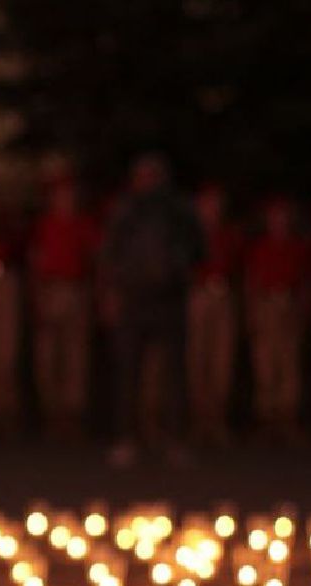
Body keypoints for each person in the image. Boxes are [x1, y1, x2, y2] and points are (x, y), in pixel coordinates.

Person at [99, 151, 203, 465]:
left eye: (153, 175)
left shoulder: (178, 212)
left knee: (173, 374)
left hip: (169, 299)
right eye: (143, 175)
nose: (148, 181)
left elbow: (198, 248)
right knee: (129, 371)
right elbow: (109, 254)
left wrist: (180, 267)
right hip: (133, 299)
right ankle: (127, 438)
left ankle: (173, 439)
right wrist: (110, 293)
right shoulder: (125, 211)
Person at [27, 164, 100, 440]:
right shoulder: (44, 226)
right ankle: (51, 414)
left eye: (69, 194)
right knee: (47, 356)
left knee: (75, 355)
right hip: (52, 290)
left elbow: (94, 261)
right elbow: (35, 263)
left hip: (76, 291)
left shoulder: (84, 225)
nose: (65, 199)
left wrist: (94, 296)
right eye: (60, 194)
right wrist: (38, 298)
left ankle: (73, 415)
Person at [243, 196, 311, 444]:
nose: (278, 222)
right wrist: (251, 312)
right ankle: (266, 419)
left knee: (289, 362)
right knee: (265, 362)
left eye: (282, 217)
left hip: (288, 303)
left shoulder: (297, 246)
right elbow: (251, 281)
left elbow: (305, 282)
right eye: (274, 217)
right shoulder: (259, 247)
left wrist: (302, 312)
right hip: (266, 304)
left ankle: (288, 419)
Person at [186, 182, 243, 447]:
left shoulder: (229, 234)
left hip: (222, 296)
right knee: (198, 357)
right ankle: (198, 420)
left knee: (222, 359)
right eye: (206, 204)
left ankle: (217, 419)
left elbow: (240, 267)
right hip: (198, 297)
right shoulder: (188, 236)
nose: (212, 209)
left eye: (216, 204)